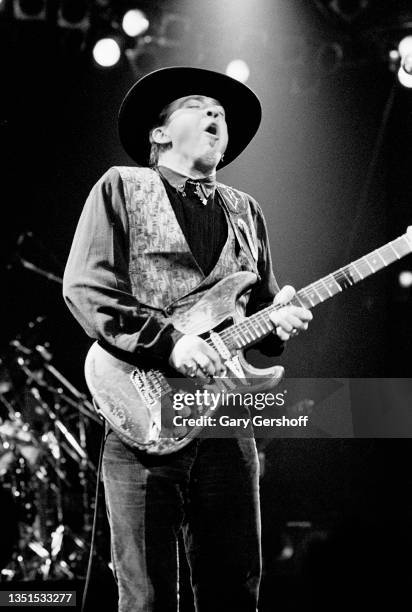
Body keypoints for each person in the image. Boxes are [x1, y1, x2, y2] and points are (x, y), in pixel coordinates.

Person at [63, 67, 312, 612]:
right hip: (145, 408)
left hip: (227, 419)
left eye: (221, 113)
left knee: (235, 585)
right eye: (200, 106)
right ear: (159, 134)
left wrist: (281, 320)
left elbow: (260, 308)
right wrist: (170, 342)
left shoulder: (247, 211)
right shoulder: (121, 187)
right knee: (147, 594)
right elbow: (87, 287)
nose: (216, 115)